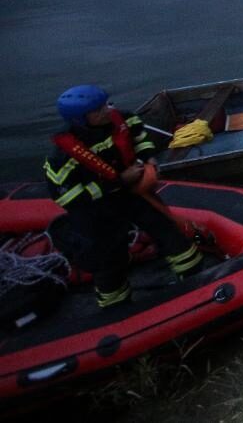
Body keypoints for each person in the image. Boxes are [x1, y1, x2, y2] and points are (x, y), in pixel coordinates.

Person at [43, 86, 203, 308]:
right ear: (81, 119)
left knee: (167, 230)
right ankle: (116, 308)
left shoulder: (124, 120)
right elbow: (69, 199)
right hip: (96, 210)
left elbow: (140, 138)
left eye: (107, 104)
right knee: (109, 259)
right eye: (99, 110)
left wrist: (148, 159)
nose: (108, 110)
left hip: (132, 192)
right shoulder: (62, 157)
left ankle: (197, 280)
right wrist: (117, 182)